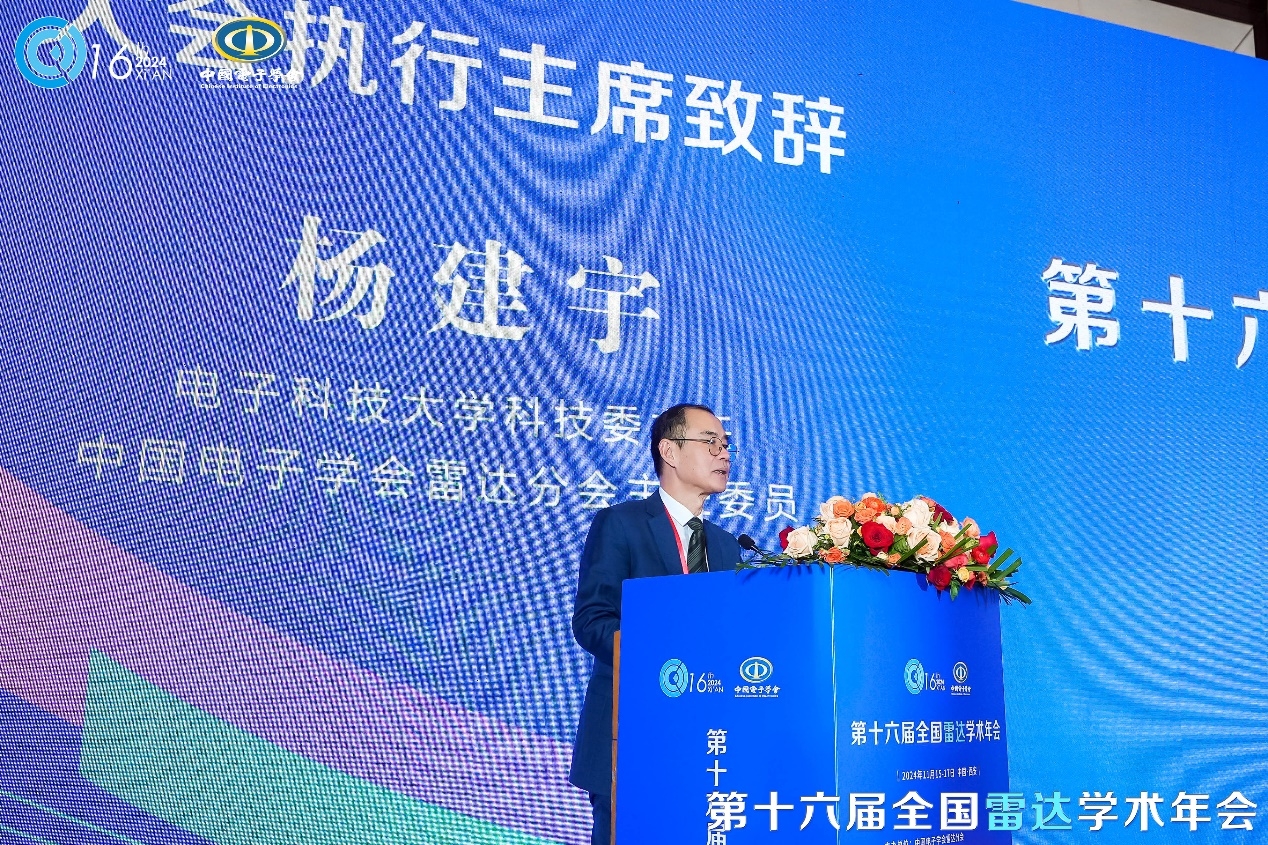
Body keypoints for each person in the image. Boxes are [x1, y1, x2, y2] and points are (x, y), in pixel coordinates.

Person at [568, 403, 741, 845]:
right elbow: (592, 619)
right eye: (711, 443)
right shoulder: (621, 524)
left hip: (704, 744)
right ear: (669, 450)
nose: (724, 454)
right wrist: (661, 655)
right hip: (630, 735)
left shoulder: (727, 546)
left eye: (726, 445)